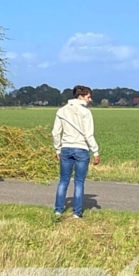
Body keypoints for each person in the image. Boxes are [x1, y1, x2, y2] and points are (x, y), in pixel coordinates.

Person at [52, 85, 100, 220]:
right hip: (81, 149)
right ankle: (77, 213)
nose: (90, 100)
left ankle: (58, 210)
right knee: (79, 182)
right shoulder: (86, 113)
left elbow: (55, 132)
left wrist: (57, 148)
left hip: (66, 148)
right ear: (80, 96)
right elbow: (88, 135)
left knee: (63, 181)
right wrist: (95, 151)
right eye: (88, 97)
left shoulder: (61, 111)